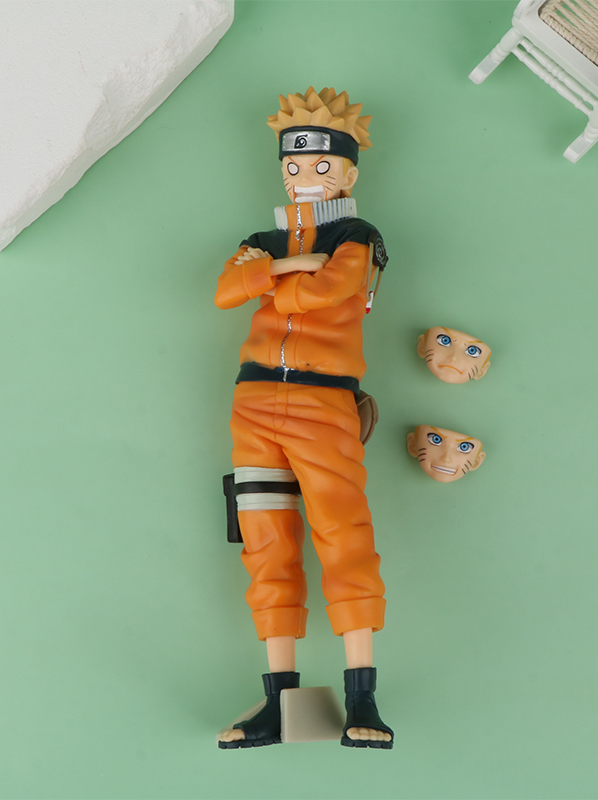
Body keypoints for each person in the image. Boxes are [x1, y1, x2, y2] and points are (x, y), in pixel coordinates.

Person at [215, 87, 393, 749]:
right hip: (254, 404)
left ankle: (362, 701)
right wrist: (288, 261)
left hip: (324, 404)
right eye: (292, 166)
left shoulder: (356, 237)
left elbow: (326, 292)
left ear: (348, 174)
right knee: (267, 545)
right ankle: (284, 707)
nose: (304, 177)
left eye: (320, 166)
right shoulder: (262, 241)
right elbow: (225, 291)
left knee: (343, 537)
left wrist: (268, 277)